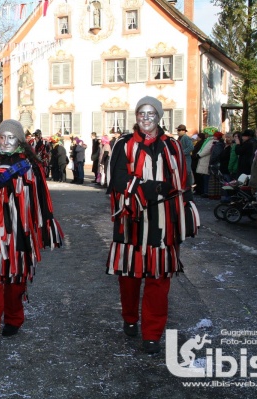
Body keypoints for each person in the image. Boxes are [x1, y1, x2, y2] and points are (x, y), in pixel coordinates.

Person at [106, 96, 199, 354]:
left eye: (151, 114)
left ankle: (152, 333)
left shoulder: (173, 146)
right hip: (131, 219)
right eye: (141, 114)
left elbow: (182, 179)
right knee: (129, 277)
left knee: (158, 279)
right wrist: (151, 187)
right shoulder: (123, 144)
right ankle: (130, 318)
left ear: (159, 117)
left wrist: (187, 210)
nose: (146, 119)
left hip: (164, 221)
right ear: (135, 116)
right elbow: (116, 179)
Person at [0, 119, 63, 341]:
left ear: (20, 141)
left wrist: (47, 225)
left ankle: (14, 318)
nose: (6, 141)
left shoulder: (30, 164)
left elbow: (42, 197)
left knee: (16, 280)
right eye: (2, 137)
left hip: (20, 230)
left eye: (11, 137)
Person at [176, 125, 194, 189]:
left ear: (184, 131)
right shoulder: (179, 138)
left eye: (179, 130)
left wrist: (182, 153)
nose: (178, 132)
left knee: (187, 171)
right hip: (182, 158)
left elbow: (191, 147)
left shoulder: (186, 137)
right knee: (183, 172)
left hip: (186, 158)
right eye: (178, 130)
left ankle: (189, 186)